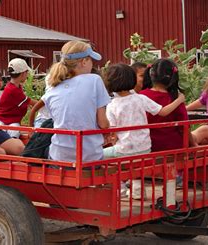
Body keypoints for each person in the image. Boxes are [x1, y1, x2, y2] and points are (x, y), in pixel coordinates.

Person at [102, 63, 185, 199]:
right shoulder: (140, 98)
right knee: (136, 165)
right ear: (132, 80)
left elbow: (112, 131)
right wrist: (179, 100)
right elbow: (163, 112)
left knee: (98, 156)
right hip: (145, 149)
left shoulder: (112, 106)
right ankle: (137, 191)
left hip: (124, 150)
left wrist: (113, 139)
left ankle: (120, 189)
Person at [41, 40, 110, 163]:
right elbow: (103, 123)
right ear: (84, 62)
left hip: (60, 156)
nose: (92, 65)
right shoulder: (94, 80)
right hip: (89, 156)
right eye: (91, 60)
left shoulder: (52, 88)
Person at [140, 59, 188, 152]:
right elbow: (184, 127)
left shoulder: (141, 95)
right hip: (172, 146)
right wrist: (193, 143)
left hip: (148, 145)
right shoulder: (175, 98)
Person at [0, 58, 38, 138]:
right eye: (27, 72)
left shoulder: (15, 86)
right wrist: (45, 103)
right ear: (22, 74)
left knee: (12, 130)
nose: (27, 74)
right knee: (12, 132)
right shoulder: (13, 90)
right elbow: (31, 102)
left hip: (10, 119)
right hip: (4, 119)